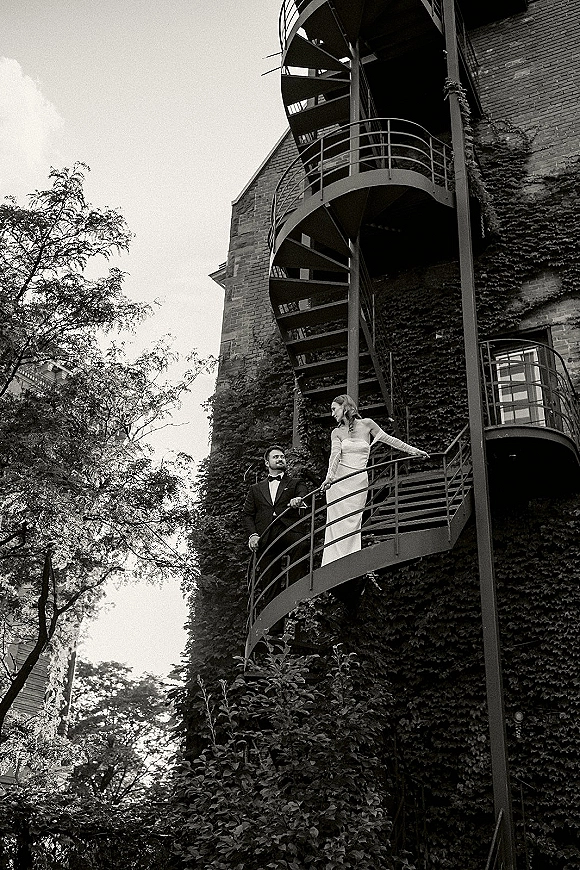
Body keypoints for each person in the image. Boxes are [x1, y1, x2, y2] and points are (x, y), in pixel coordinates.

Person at [319, 395, 429, 566]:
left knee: (354, 519)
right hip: (339, 481)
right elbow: (335, 456)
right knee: (336, 521)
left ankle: (350, 560)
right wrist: (329, 478)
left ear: (345, 406)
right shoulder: (336, 432)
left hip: (358, 480)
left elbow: (391, 440)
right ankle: (333, 562)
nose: (332, 413)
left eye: (334, 409)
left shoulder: (367, 424)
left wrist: (414, 451)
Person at [243, 445, 309, 609]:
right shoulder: (255, 489)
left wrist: (298, 499)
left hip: (288, 529)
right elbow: (247, 515)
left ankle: (295, 600)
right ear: (267, 463)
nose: (280, 459)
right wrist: (253, 535)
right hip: (266, 535)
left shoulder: (294, 483)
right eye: (276, 457)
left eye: (282, 457)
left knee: (302, 544)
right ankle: (274, 627)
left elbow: (303, 492)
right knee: (269, 577)